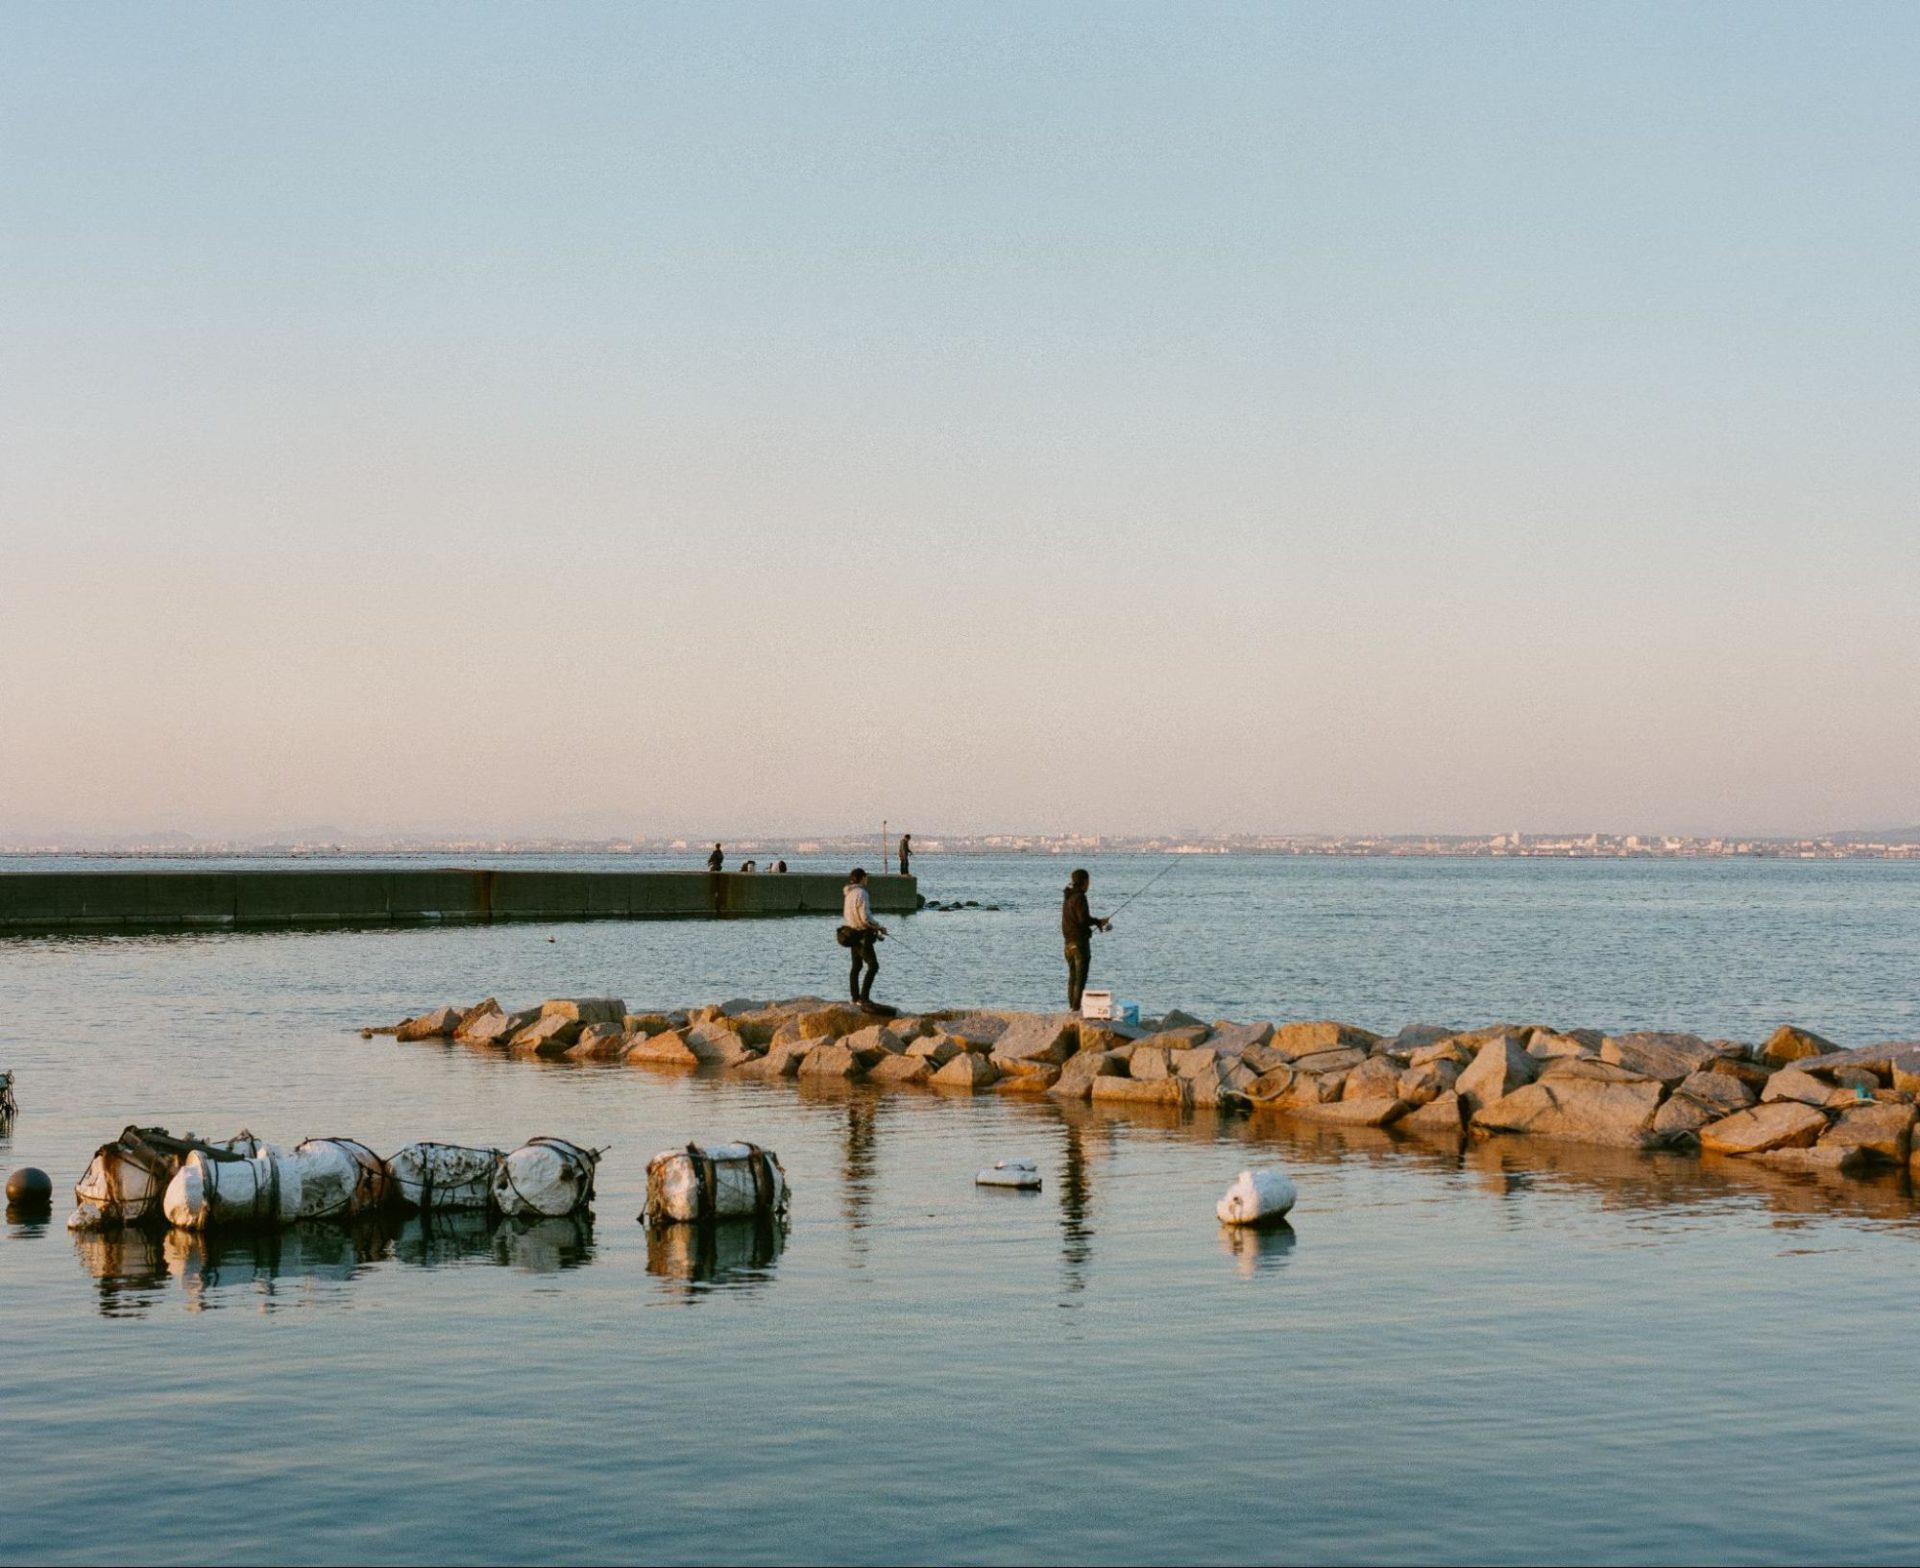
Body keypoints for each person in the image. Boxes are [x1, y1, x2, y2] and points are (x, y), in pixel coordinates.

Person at [1060, 868, 1111, 1013]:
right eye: (1088, 881)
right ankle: (1076, 1010)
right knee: (1080, 979)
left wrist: (1096, 922)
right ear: (1084, 881)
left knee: (1072, 977)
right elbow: (1083, 920)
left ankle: (1072, 1008)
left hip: (1068, 944)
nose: (1089, 884)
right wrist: (1098, 921)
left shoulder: (1068, 897)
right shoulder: (1080, 897)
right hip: (1079, 944)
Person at [840, 867, 887, 1008]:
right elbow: (865, 917)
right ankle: (864, 998)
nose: (867, 879)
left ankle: (855, 998)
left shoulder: (849, 893)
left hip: (850, 933)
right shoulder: (862, 893)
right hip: (861, 934)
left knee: (856, 966)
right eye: (865, 877)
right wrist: (879, 927)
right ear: (861, 878)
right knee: (873, 966)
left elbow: (847, 915)